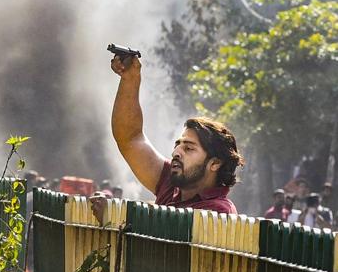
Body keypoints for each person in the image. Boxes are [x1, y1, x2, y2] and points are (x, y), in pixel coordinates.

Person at [91, 53, 244, 222]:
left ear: (215, 163)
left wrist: (113, 218)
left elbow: (162, 241)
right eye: (178, 144)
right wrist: (130, 79)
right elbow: (130, 138)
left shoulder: (219, 212)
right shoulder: (171, 184)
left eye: (189, 148)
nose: (176, 152)